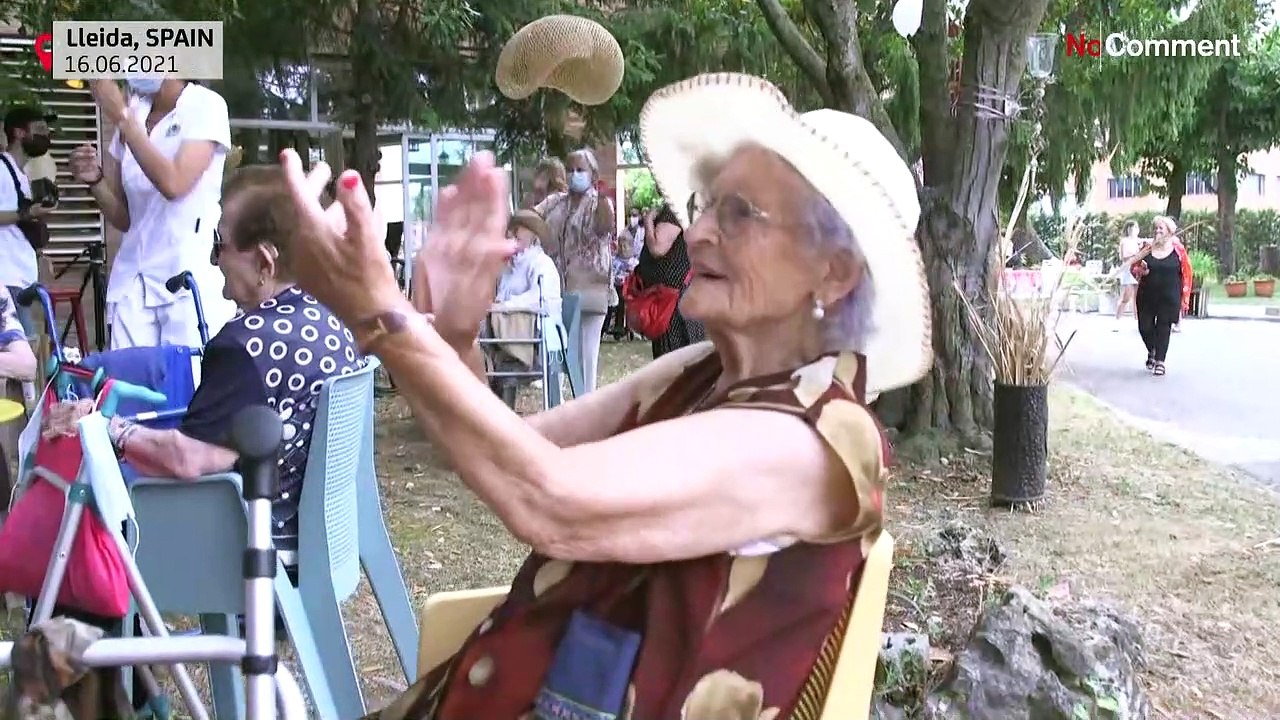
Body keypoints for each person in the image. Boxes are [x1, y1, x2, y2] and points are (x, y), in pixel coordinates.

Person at [277, 71, 931, 718]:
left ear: (833, 272)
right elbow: (506, 453)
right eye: (707, 205)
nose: (696, 232)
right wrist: (453, 335)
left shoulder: (815, 439)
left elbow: (548, 498)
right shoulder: (702, 371)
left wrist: (383, 320)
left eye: (739, 214)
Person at [104, 165, 364, 566]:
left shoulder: (246, 346)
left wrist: (110, 431)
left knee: (98, 504)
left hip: (252, 550)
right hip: (318, 540)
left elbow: (188, 459)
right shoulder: (330, 321)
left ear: (264, 262)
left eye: (219, 245)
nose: (213, 261)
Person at [68, 78, 238, 350]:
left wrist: (122, 118)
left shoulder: (205, 105)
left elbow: (175, 184)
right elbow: (124, 218)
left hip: (184, 274)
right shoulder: (135, 111)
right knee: (127, 375)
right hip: (133, 278)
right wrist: (95, 180)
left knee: (187, 373)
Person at [534, 148, 614, 393]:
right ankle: (558, 401)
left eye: (580, 170)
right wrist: (536, 192)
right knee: (558, 351)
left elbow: (604, 227)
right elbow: (529, 219)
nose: (574, 175)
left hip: (591, 288)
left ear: (593, 174)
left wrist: (603, 199)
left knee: (586, 357)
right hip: (560, 289)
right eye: (570, 170)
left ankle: (587, 401)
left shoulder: (599, 203)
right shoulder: (557, 202)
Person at [486, 209, 564, 406]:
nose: (514, 233)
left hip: (537, 341)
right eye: (512, 228)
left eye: (520, 228)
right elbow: (501, 299)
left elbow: (539, 299)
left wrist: (506, 306)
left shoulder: (542, 264)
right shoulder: (509, 268)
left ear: (533, 234)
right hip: (508, 336)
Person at [1, 106, 55, 338]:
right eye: (40, 128)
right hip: (6, 278)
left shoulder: (21, 174)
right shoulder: (1, 169)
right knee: (26, 346)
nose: (46, 134)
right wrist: (27, 213)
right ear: (19, 132)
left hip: (20, 278)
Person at [635, 203, 707, 358]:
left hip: (674, 302)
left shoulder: (675, 209)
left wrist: (648, 221)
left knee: (674, 359)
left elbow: (657, 247)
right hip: (678, 297)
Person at [1130, 215, 1191, 376]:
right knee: (1144, 327)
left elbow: (1186, 272)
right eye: (1155, 228)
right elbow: (1133, 268)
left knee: (1164, 326)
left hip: (1169, 296)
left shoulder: (1178, 250)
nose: (1157, 231)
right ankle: (1153, 349)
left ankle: (1160, 361)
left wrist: (1184, 296)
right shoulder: (1146, 248)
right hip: (1147, 295)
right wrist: (1140, 271)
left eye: (1161, 228)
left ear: (1169, 231)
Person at [1114, 220, 1141, 326]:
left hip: (1138, 270)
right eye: (1132, 227)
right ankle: (1117, 319)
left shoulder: (1139, 241)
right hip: (1128, 270)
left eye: (1136, 227)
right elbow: (1124, 257)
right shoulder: (1124, 241)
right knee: (1126, 296)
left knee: (1138, 298)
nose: (1134, 230)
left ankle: (1138, 320)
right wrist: (1135, 255)